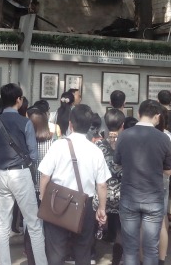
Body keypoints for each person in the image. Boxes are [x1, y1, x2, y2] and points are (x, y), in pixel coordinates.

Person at [39, 104, 110, 265]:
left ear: (70, 124)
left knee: (56, 252)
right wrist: (102, 208)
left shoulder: (58, 145)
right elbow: (102, 185)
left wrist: (43, 198)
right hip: (85, 204)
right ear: (89, 125)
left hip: (57, 202)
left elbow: (44, 176)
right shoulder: (95, 151)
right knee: (83, 250)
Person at [0, 83, 48, 265]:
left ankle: (4, 262)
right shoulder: (25, 122)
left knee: (3, 225)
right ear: (18, 100)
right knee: (34, 224)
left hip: (2, 175)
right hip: (20, 174)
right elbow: (33, 155)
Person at [114, 100, 171, 265]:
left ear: (139, 114)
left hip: (129, 196)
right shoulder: (163, 138)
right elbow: (169, 170)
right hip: (153, 198)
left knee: (130, 248)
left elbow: (117, 163)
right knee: (150, 249)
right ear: (157, 116)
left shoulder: (124, 135)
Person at [93, 108, 125, 265]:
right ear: (122, 124)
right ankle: (116, 261)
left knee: (93, 227)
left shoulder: (98, 144)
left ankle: (90, 255)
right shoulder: (127, 143)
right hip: (122, 194)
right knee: (120, 230)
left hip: (101, 193)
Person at [24, 110, 54, 265]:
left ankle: (31, 258)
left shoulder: (27, 144)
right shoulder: (53, 143)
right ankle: (46, 257)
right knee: (48, 226)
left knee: (31, 225)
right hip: (48, 190)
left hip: (30, 188)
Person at [156, 106, 171, 265]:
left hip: (153, 180)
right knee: (162, 217)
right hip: (163, 180)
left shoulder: (151, 136)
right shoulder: (167, 135)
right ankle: (163, 254)